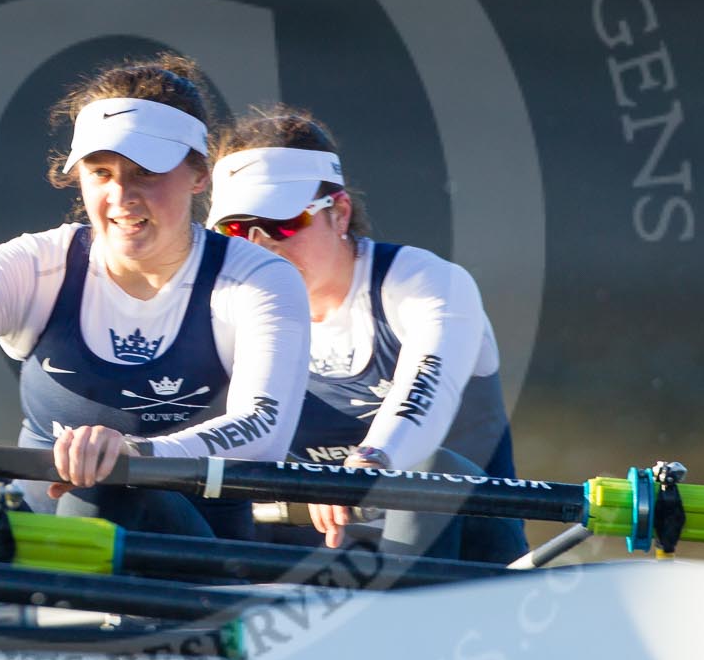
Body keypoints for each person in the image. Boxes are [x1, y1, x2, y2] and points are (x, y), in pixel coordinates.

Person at [0, 54, 309, 540]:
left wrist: (138, 454)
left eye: (145, 173)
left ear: (200, 176)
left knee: (108, 484)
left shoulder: (258, 279)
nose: (122, 196)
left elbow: (263, 430)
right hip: (42, 529)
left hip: (188, 551)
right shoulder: (30, 266)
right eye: (101, 173)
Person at [207, 107, 527, 563]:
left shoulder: (427, 285)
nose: (261, 245)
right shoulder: (228, 311)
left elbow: (424, 393)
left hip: (462, 559)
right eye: (236, 229)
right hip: (314, 563)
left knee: (429, 468)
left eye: (282, 224)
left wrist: (370, 465)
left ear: (338, 213)